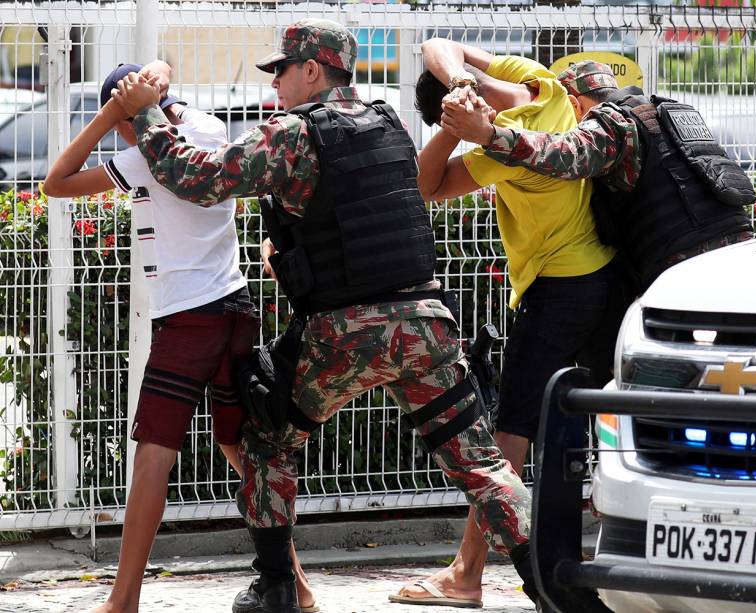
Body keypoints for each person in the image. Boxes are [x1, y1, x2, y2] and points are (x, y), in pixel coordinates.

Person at [110, 19, 543, 613]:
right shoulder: (387, 122)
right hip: (424, 322)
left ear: (312, 69)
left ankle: (278, 588)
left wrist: (146, 115)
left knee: (264, 441)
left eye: (281, 71)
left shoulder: (295, 132)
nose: (276, 85)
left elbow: (198, 178)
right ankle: (554, 586)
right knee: (483, 467)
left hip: (343, 332)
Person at [42, 62, 312, 613]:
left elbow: (56, 182)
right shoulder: (210, 130)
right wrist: (144, 100)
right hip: (236, 307)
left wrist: (110, 117)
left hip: (190, 318)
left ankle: (123, 600)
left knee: (152, 456)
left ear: (126, 113)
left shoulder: (143, 156)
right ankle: (296, 584)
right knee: (242, 450)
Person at [392, 42, 635, 608]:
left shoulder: (504, 149)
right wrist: (463, 84)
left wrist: (455, 128)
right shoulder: (544, 85)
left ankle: (466, 572)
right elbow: (439, 45)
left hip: (557, 289)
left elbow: (425, 185)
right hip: (601, 277)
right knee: (583, 420)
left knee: (511, 434)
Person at [440, 60, 756, 293]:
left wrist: (490, 134)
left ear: (574, 105)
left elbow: (561, 153)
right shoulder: (670, 111)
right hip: (741, 249)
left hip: (687, 265)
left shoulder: (612, 123)